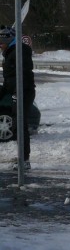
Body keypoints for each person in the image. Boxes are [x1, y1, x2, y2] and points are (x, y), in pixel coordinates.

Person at [0, 26, 35, 170]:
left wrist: (16, 93)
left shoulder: (19, 52)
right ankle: (22, 156)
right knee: (17, 125)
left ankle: (24, 160)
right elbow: (11, 77)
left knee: (19, 125)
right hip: (14, 89)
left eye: (1, 41)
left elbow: (24, 75)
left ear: (8, 39)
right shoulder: (11, 52)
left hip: (23, 91)